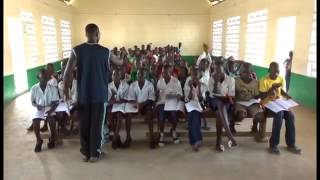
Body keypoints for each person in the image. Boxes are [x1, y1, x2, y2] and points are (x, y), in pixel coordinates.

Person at [63, 23, 124, 162]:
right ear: (97, 34)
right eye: (99, 34)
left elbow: (67, 73)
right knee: (97, 124)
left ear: (86, 34)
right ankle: (95, 153)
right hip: (99, 95)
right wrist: (121, 58)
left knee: (84, 123)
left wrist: (66, 91)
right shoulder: (105, 51)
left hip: (83, 94)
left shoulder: (76, 50)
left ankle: (85, 152)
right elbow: (119, 62)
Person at [259, 62, 301, 155]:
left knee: (291, 115)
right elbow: (261, 96)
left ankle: (291, 144)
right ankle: (273, 145)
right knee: (279, 115)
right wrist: (272, 88)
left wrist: (287, 95)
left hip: (278, 102)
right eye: (274, 71)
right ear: (269, 70)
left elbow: (281, 91)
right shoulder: (264, 80)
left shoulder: (281, 78)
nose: (276, 74)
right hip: (267, 102)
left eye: (278, 71)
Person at [233, 63, 267, 142]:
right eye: (244, 72)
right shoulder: (236, 80)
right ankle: (232, 124)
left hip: (251, 103)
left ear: (252, 73)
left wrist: (259, 97)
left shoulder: (255, 82)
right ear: (240, 72)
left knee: (260, 115)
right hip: (240, 102)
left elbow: (257, 96)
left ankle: (254, 126)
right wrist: (239, 93)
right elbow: (232, 95)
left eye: (249, 72)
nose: (247, 74)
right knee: (240, 115)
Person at [207, 61, 237, 152]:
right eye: (215, 71)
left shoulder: (231, 79)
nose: (217, 73)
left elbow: (232, 94)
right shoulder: (211, 79)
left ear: (224, 70)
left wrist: (226, 97)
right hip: (214, 101)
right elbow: (212, 94)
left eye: (220, 71)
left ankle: (218, 142)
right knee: (219, 104)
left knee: (219, 114)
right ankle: (230, 136)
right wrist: (216, 82)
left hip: (226, 102)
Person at [30, 69, 60, 152]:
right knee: (35, 120)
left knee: (51, 119)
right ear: (38, 77)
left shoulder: (52, 88)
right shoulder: (34, 88)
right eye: (43, 76)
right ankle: (39, 140)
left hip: (49, 107)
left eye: (46, 76)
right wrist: (36, 105)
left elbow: (56, 102)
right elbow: (32, 101)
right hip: (39, 108)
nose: (45, 78)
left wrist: (51, 110)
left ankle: (52, 138)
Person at [127, 68, 157, 149]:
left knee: (149, 113)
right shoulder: (132, 85)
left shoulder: (150, 84)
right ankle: (128, 137)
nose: (140, 76)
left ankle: (151, 137)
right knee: (128, 114)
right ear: (136, 75)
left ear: (145, 76)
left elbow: (151, 99)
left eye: (142, 75)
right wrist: (137, 104)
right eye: (138, 74)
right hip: (135, 105)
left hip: (146, 105)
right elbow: (131, 99)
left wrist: (142, 104)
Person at [156, 65, 183, 147]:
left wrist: (171, 96)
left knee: (174, 114)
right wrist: (157, 93)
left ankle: (173, 131)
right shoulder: (160, 82)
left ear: (170, 72)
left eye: (166, 72)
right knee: (161, 116)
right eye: (163, 72)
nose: (164, 74)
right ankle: (161, 134)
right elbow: (157, 96)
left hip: (172, 102)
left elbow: (180, 95)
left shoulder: (176, 81)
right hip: (162, 102)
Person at [184, 67, 207, 151]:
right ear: (190, 75)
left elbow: (201, 99)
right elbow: (188, 98)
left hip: (199, 104)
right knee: (193, 117)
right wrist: (190, 88)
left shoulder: (203, 84)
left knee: (194, 118)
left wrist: (200, 88)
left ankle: (195, 141)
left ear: (200, 75)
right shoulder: (187, 83)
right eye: (193, 74)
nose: (194, 76)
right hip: (189, 103)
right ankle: (196, 140)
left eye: (196, 74)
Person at [108, 69, 131, 149]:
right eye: (114, 75)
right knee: (110, 115)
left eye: (117, 75)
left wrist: (114, 100)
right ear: (112, 76)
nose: (115, 76)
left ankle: (115, 139)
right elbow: (108, 100)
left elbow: (125, 99)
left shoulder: (125, 85)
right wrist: (113, 98)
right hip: (113, 106)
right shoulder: (109, 86)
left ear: (120, 76)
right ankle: (116, 136)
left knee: (120, 116)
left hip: (123, 106)